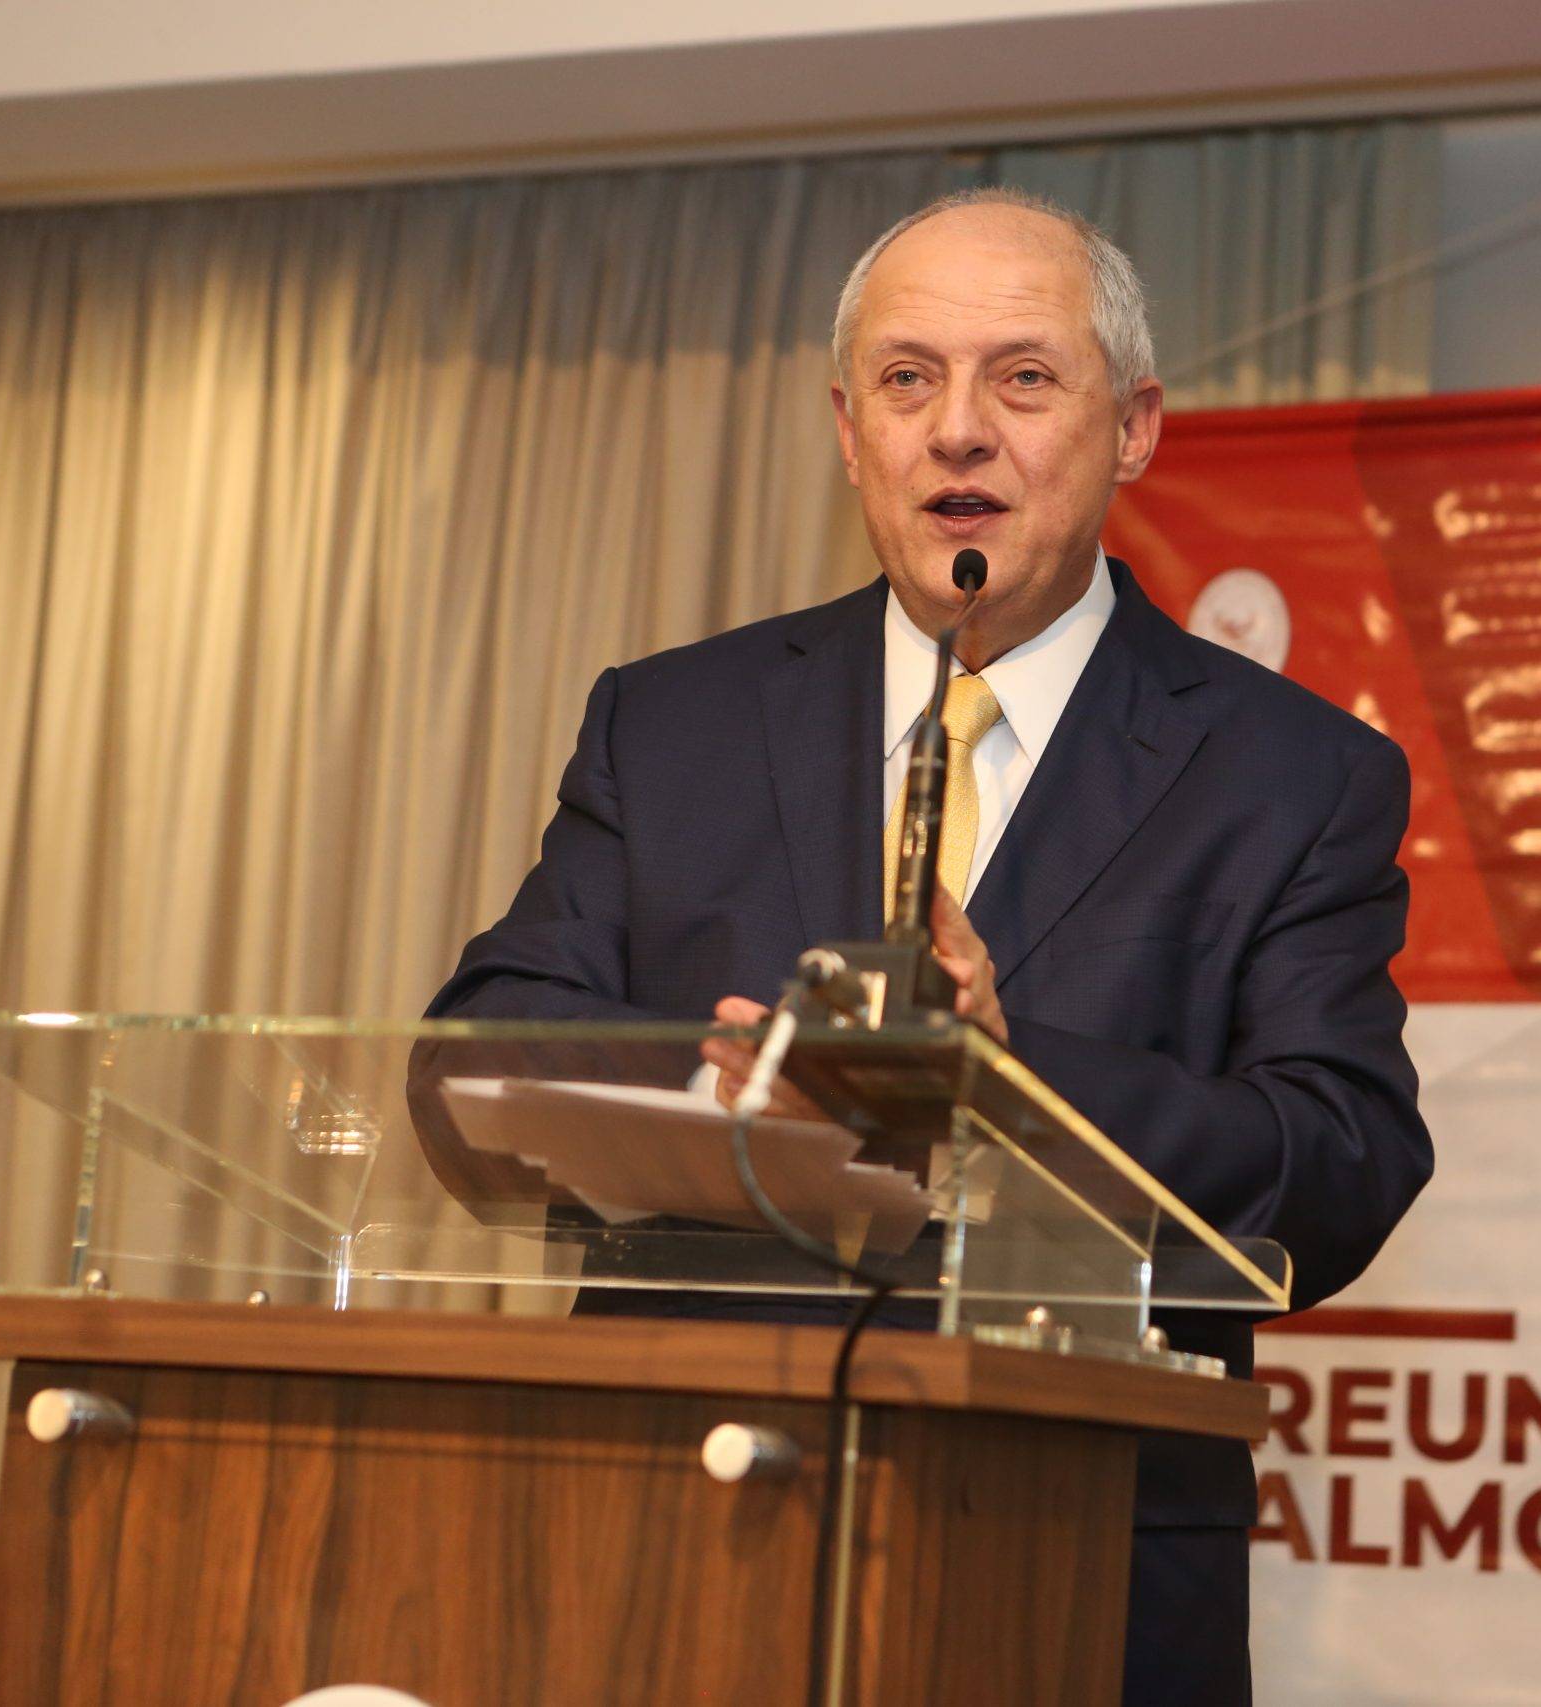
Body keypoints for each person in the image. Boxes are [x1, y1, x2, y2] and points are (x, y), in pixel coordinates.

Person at [430, 186, 1431, 1705]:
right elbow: (484, 1049)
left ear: (1135, 427)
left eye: (1023, 378)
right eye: (908, 380)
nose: (958, 431)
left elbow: (1341, 1162)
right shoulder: (675, 720)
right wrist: (719, 1099)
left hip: (1072, 1562)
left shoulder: (1292, 774)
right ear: (852, 432)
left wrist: (1007, 1081)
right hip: (670, 1536)